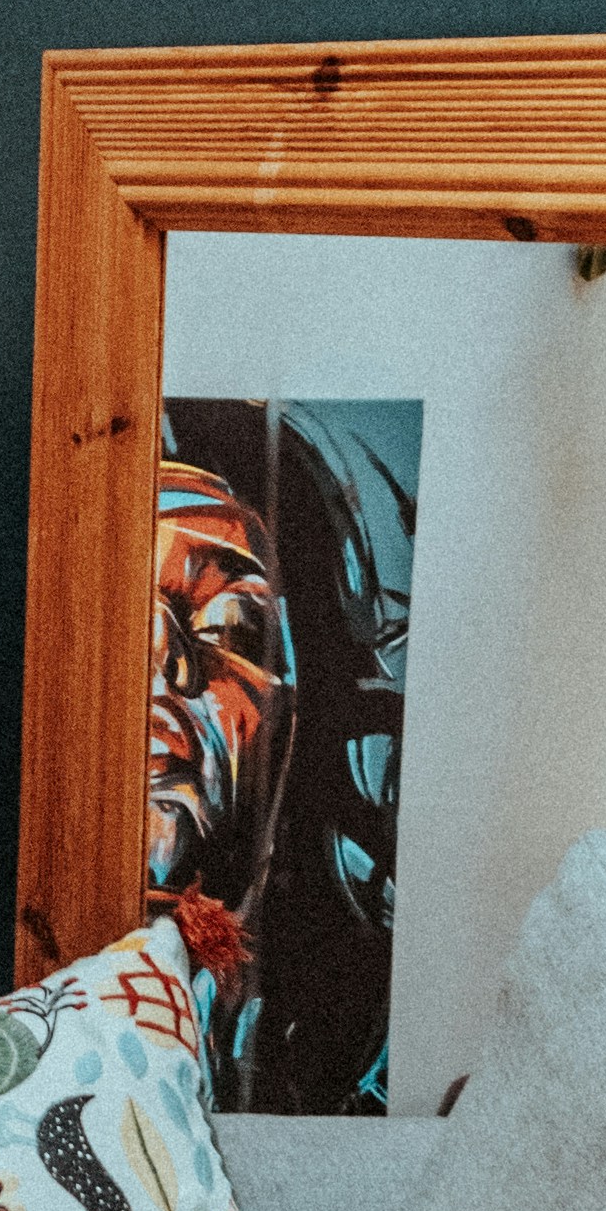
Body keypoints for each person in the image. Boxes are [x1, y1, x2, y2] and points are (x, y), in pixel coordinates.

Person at [147, 399, 410, 1118]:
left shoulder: (345, 1047)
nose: (170, 663)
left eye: (229, 626)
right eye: (117, 609)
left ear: (297, 716)